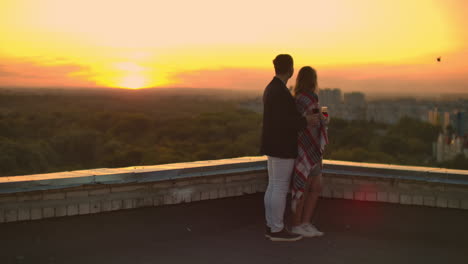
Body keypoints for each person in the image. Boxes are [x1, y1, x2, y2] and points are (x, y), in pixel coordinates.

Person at [261, 55, 320, 242]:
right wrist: (306, 121)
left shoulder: (271, 88)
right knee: (279, 187)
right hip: (282, 146)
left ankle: (272, 225)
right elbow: (285, 122)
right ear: (291, 69)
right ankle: (277, 230)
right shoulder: (281, 92)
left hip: (272, 145)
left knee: (272, 186)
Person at [290, 66, 328, 237]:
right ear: (313, 80)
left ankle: (305, 223)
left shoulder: (312, 99)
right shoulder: (301, 100)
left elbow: (314, 121)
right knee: (303, 188)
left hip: (311, 149)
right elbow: (301, 123)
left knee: (315, 186)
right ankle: (297, 224)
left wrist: (322, 118)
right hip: (304, 148)